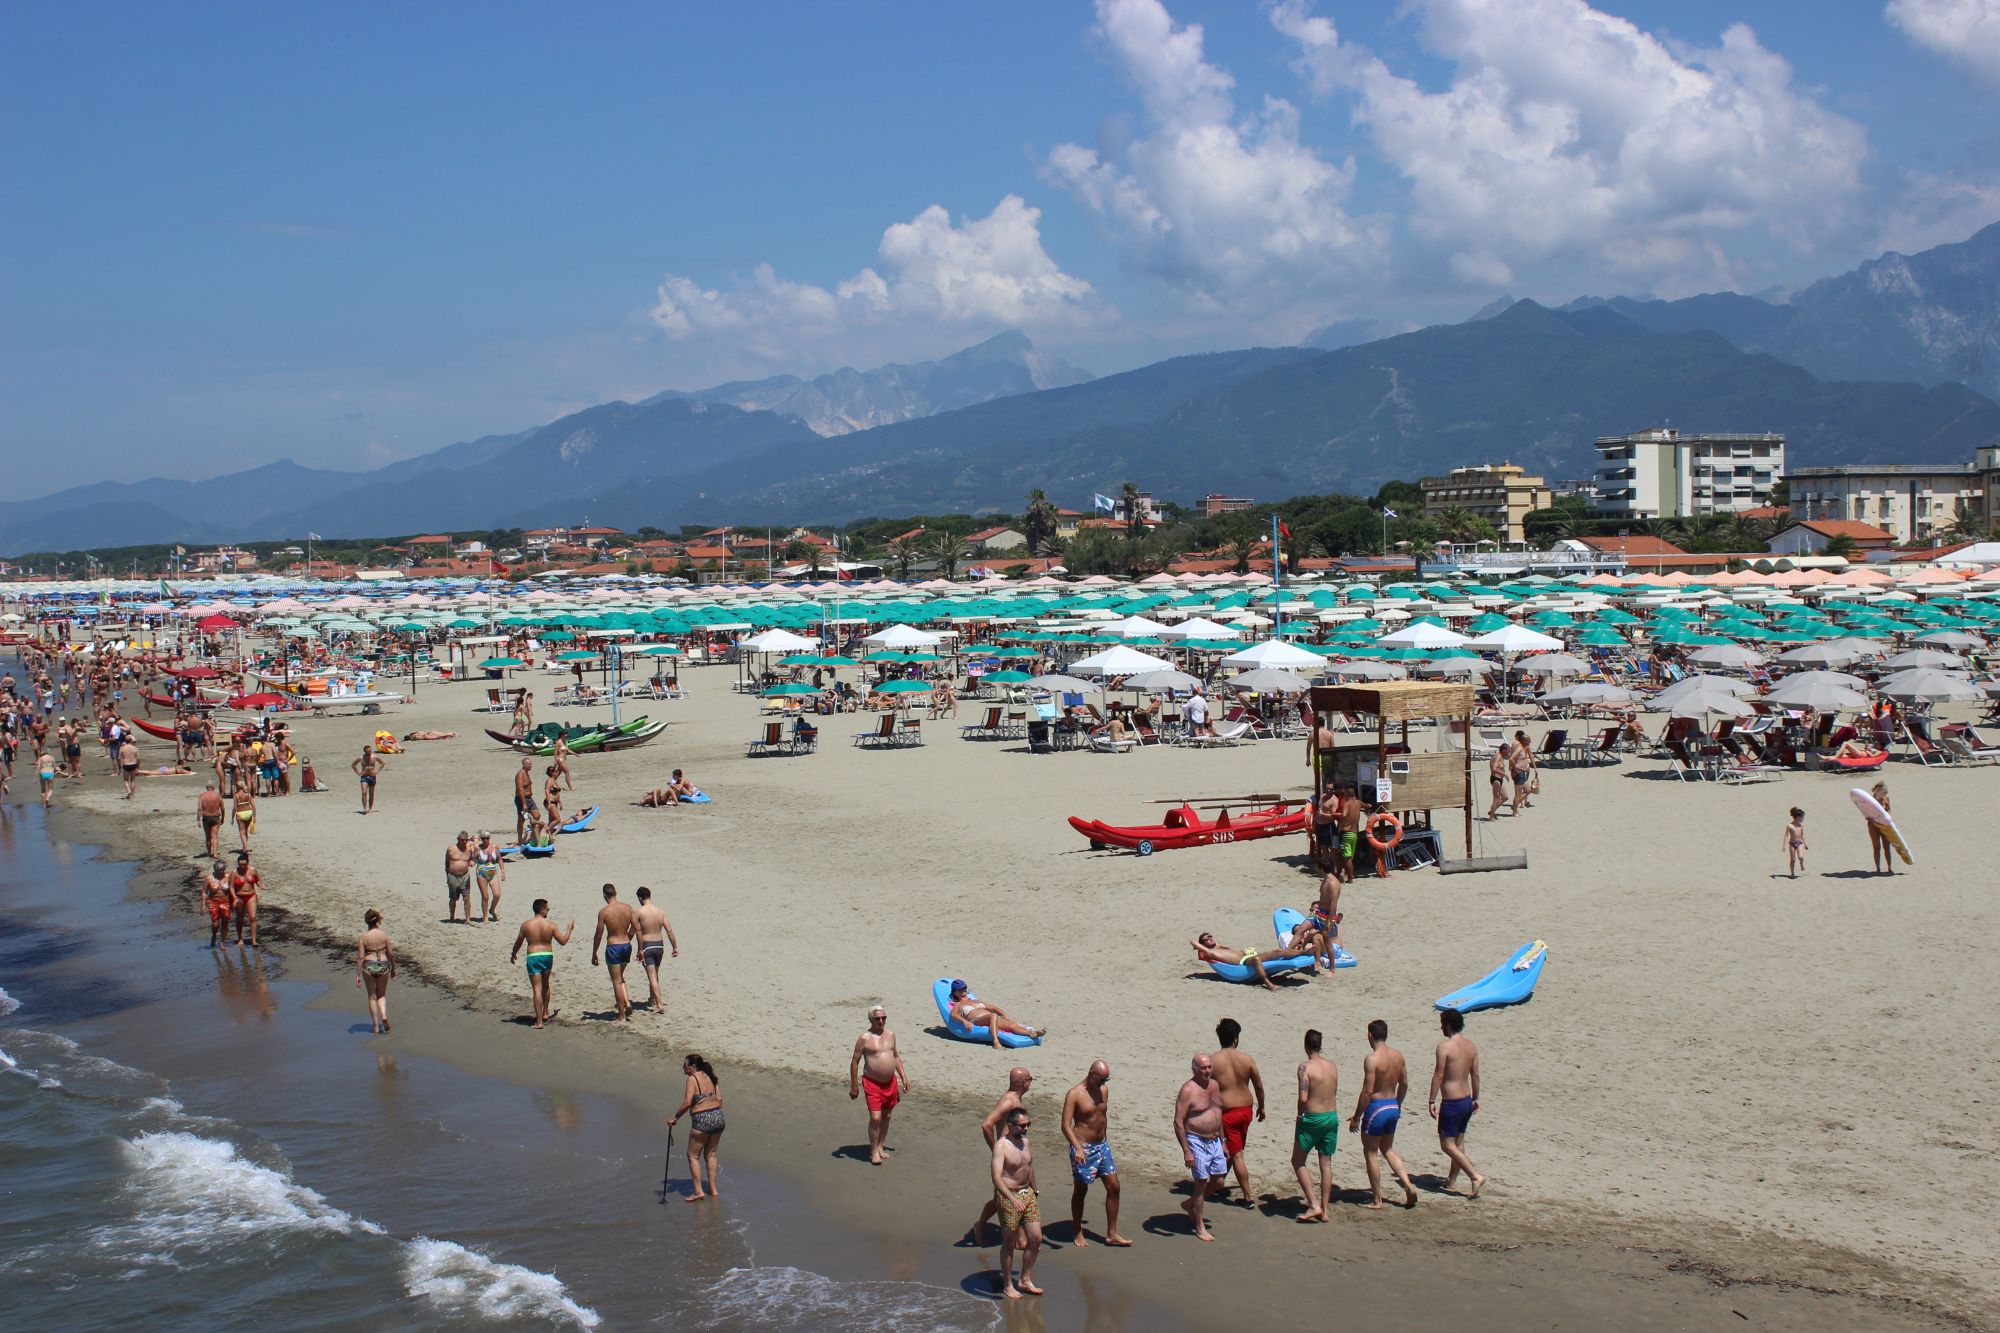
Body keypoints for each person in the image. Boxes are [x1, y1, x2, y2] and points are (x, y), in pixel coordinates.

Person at [1349, 1019, 1417, 1209]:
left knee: (1371, 1152)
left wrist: (1356, 1117)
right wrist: (1398, 1104)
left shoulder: (1372, 1059)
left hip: (1377, 1107)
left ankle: (1377, 1200)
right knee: (1387, 1149)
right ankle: (1408, 1184)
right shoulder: (1398, 1055)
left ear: (1370, 1035)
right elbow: (1404, 1084)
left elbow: (1367, 1091)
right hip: (1392, 1106)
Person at [1061, 1060, 1129, 1246]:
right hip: (1084, 1148)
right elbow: (1066, 1125)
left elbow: (1101, 1118)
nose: (1103, 1083)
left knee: (1114, 1187)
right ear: (1091, 1074)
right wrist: (1077, 1148)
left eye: (1106, 1079)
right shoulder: (1075, 1094)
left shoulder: (1103, 1090)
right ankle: (1077, 1231)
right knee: (1081, 1190)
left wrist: (1105, 1141)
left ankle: (1112, 1233)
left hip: (1102, 1146)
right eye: (1100, 1079)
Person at [969, 1068, 1034, 1242]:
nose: (1031, 1083)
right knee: (1006, 1195)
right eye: (1030, 1079)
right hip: (1006, 1155)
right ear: (1023, 1082)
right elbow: (987, 1124)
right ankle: (981, 1225)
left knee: (1018, 1191)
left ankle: (1020, 1234)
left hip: (1018, 1152)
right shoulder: (1009, 1100)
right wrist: (996, 1149)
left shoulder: (1016, 1099)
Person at [1429, 1008, 1485, 1198]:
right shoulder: (1471, 1046)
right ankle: (1452, 1180)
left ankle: (1474, 1176)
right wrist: (1476, 1098)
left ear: (1448, 1025)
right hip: (1466, 1100)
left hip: (1452, 1102)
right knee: (1458, 1142)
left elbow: (1439, 1075)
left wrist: (1431, 1100)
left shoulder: (1444, 1047)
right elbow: (1475, 1075)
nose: (1441, 1028)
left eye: (1442, 1024)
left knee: (1447, 1144)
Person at [1173, 1053, 1228, 1242]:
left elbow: (1218, 1112)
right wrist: (1186, 1150)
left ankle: (1190, 1204)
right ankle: (1199, 1226)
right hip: (1196, 1140)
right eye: (1203, 1068)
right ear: (1194, 1070)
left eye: (1209, 1067)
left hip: (1215, 1141)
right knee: (1201, 1183)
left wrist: (1223, 1141)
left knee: (1219, 1181)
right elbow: (1178, 1121)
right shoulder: (1188, 1090)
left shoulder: (1214, 1085)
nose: (1207, 1071)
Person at [1210, 1017, 1265, 1205]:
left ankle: (1248, 1197)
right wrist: (1262, 1107)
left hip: (1228, 1114)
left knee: (1236, 1154)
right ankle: (1217, 1183)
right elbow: (1258, 1085)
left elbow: (1203, 1089)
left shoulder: (1212, 1062)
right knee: (1235, 1150)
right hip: (1246, 1111)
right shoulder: (1247, 1059)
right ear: (1236, 1038)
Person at [990, 1107, 1043, 1298]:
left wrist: (1035, 1190)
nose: (1026, 1128)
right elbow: (996, 1177)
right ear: (1011, 1126)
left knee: (1036, 1239)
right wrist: (1012, 1199)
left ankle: (1025, 1279)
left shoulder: (1026, 1143)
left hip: (1027, 1194)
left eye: (1028, 1124)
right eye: (1022, 1125)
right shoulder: (1001, 1146)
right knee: (1009, 1243)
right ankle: (1007, 1284)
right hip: (1008, 1196)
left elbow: (1029, 1168)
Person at [850, 1005, 909, 1167]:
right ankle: (874, 1150)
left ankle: (880, 1145)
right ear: (871, 1019)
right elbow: (855, 1061)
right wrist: (854, 1086)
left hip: (890, 1083)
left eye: (883, 1018)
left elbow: (895, 1056)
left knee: (887, 1116)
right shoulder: (864, 1038)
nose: (881, 1021)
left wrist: (903, 1077)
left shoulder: (890, 1034)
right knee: (875, 1118)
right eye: (877, 1019)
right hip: (872, 1083)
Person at [1292, 1028, 1341, 1222]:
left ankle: (1313, 1204)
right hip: (1331, 1116)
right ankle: (1325, 1211)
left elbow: (1303, 1097)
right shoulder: (1332, 1065)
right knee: (1326, 1164)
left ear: (1306, 1045)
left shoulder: (1305, 1067)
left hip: (1313, 1118)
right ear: (1320, 1045)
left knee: (1297, 1161)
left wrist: (1299, 1114)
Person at [509, 898, 576, 1030]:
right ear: (541, 909)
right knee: (546, 985)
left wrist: (513, 953)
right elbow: (563, 941)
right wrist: (569, 930)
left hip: (533, 956)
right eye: (547, 908)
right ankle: (545, 1013)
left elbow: (519, 941)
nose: (548, 910)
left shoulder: (526, 925)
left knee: (537, 989)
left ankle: (539, 1022)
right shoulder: (550, 925)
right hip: (547, 956)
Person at [669, 1053, 725, 1202]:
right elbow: (719, 1099)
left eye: (685, 1065)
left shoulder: (692, 1079)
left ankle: (698, 1191)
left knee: (692, 1155)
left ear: (692, 1067)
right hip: (718, 1117)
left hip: (702, 1119)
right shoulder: (711, 1076)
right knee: (711, 1154)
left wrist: (675, 1118)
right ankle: (713, 1189)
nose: (683, 1068)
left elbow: (687, 1102)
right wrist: (714, 1114)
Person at [1190, 933, 1316, 990]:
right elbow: (1194, 942)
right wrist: (1197, 945)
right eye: (1207, 939)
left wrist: (1210, 940)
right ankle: (1268, 984)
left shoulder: (1219, 947)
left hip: (1247, 956)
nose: (1210, 938)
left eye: (1211, 936)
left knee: (1278, 951)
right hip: (1243, 963)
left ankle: (1305, 953)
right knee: (1256, 960)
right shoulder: (1212, 953)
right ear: (1203, 944)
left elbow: (1214, 941)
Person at [590, 883, 638, 1022]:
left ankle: (621, 1015)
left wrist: (594, 953)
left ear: (604, 895)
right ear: (616, 892)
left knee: (616, 981)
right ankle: (627, 1002)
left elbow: (598, 935)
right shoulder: (628, 908)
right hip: (626, 946)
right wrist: (630, 938)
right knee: (621, 976)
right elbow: (636, 928)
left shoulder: (604, 912)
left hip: (613, 947)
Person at [947, 980, 1046, 1047]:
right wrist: (965, 1022)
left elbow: (993, 1008)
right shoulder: (958, 1004)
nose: (963, 990)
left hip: (990, 1019)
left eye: (964, 988)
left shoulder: (976, 1001)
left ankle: (1031, 1033)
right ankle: (995, 1041)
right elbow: (953, 1015)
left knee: (1012, 1025)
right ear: (955, 992)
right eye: (960, 989)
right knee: (992, 1015)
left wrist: (1005, 1015)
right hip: (976, 1021)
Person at [634, 886, 677, 1014]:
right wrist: (675, 947)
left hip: (647, 945)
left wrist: (639, 949)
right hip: (659, 945)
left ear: (640, 898)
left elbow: (635, 931)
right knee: (655, 975)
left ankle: (659, 1004)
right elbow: (669, 930)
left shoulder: (639, 912)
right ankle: (652, 999)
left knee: (652, 976)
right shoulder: (660, 911)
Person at [356, 908, 395, 1035]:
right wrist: (393, 968)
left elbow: (361, 957)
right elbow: (390, 954)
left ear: (366, 922)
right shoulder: (384, 935)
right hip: (383, 965)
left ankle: (376, 1027)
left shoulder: (363, 937)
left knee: (372, 996)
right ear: (378, 920)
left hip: (369, 965)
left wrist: (357, 975)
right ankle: (384, 1015)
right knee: (381, 995)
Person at [230, 850, 262, 948]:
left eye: (244, 864)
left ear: (247, 863)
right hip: (239, 897)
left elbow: (258, 880)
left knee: (252, 917)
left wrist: (261, 886)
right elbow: (231, 887)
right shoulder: (234, 872)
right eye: (240, 865)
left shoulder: (253, 870)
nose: (242, 867)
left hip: (251, 896)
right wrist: (234, 898)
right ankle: (240, 938)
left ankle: (253, 940)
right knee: (240, 918)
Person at [1865, 780, 1896, 875]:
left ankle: (1889, 868)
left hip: (1884, 824)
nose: (1886, 794)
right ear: (1879, 792)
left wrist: (1889, 816)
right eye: (1884, 792)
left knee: (1886, 847)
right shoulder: (1870, 800)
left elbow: (1889, 809)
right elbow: (1866, 814)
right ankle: (1878, 868)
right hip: (1873, 825)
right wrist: (1869, 817)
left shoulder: (1886, 798)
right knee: (1876, 847)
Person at [473, 831, 504, 923]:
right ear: (481, 839)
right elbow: (473, 860)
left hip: (492, 872)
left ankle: (492, 909)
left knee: (497, 894)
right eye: (483, 838)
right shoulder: (478, 848)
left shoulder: (495, 846)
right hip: (481, 872)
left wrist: (503, 871)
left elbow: (499, 859)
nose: (485, 840)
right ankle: (485, 916)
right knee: (485, 896)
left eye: (487, 838)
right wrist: (473, 859)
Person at [445, 831, 474, 925]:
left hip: (465, 876)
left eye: (466, 840)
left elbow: (474, 857)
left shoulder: (469, 849)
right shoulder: (451, 849)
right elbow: (446, 863)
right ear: (458, 839)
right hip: (453, 876)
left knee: (467, 898)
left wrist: (473, 861)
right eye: (462, 840)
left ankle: (468, 919)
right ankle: (452, 917)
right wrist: (448, 876)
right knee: (453, 898)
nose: (464, 842)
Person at [203, 859, 233, 948]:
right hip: (213, 902)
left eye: (223, 870)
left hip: (225, 901)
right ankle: (214, 935)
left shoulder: (228, 877)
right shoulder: (209, 878)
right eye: (221, 870)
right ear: (216, 870)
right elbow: (204, 892)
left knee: (225, 923)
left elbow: (232, 889)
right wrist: (203, 905)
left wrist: (234, 900)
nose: (222, 872)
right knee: (215, 924)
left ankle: (222, 942)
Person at [351, 744, 383, 814]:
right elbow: (353, 765)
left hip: (372, 776)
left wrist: (377, 771)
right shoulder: (361, 758)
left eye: (370, 751)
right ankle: (365, 808)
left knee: (371, 793)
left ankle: (370, 808)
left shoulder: (374, 757)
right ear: (364, 751)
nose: (369, 753)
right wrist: (358, 773)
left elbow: (382, 763)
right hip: (364, 777)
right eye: (368, 751)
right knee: (364, 792)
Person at [196, 781, 225, 858]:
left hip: (206, 817)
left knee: (208, 836)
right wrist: (223, 818)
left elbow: (199, 808)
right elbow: (222, 808)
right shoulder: (218, 796)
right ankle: (215, 853)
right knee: (215, 836)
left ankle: (209, 852)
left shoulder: (202, 796)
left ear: (206, 787)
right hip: (215, 817)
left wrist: (198, 819)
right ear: (214, 787)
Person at [512, 757, 536, 845]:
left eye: (531, 764)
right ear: (524, 765)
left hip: (529, 799)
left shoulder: (526, 773)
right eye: (529, 764)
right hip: (522, 799)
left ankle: (531, 834)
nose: (531, 766)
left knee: (537, 815)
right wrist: (524, 803)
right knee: (521, 819)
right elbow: (520, 789)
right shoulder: (520, 775)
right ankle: (519, 840)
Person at [1512, 729, 1538, 808]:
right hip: (1520, 769)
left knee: (1524, 788)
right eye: (1529, 741)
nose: (1530, 742)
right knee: (1522, 788)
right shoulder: (1520, 747)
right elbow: (1512, 758)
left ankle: (1520, 803)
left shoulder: (1514, 744)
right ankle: (1519, 804)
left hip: (1521, 769)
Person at [1485, 741, 1511, 820]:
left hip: (1500, 779)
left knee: (1505, 797)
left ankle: (1492, 811)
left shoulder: (1501, 757)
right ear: (1504, 750)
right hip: (1495, 779)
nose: (1509, 753)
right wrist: (1505, 774)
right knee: (1496, 799)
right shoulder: (1498, 756)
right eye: (1508, 751)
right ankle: (1491, 817)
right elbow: (1494, 768)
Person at [1782, 806, 1809, 878]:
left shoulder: (1801, 826)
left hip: (1800, 843)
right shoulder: (1790, 826)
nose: (1803, 819)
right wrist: (1784, 845)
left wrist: (1805, 843)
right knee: (1793, 859)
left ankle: (1801, 863)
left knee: (1801, 857)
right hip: (1792, 844)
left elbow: (1802, 835)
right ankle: (1792, 873)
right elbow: (1786, 836)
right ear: (1798, 817)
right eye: (1802, 817)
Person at [230, 781, 257, 852]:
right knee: (245, 831)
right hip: (248, 813)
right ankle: (245, 847)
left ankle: (245, 846)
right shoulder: (248, 794)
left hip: (240, 814)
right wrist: (254, 816)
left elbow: (234, 808)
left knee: (242, 831)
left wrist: (232, 818)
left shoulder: (236, 795)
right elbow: (253, 806)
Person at [118, 735, 140, 799]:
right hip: (133, 764)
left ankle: (129, 791)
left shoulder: (122, 748)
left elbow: (118, 758)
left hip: (126, 764)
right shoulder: (135, 748)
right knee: (133, 780)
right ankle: (132, 796)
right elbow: (138, 758)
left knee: (125, 780)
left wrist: (119, 767)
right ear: (131, 741)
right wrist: (138, 766)